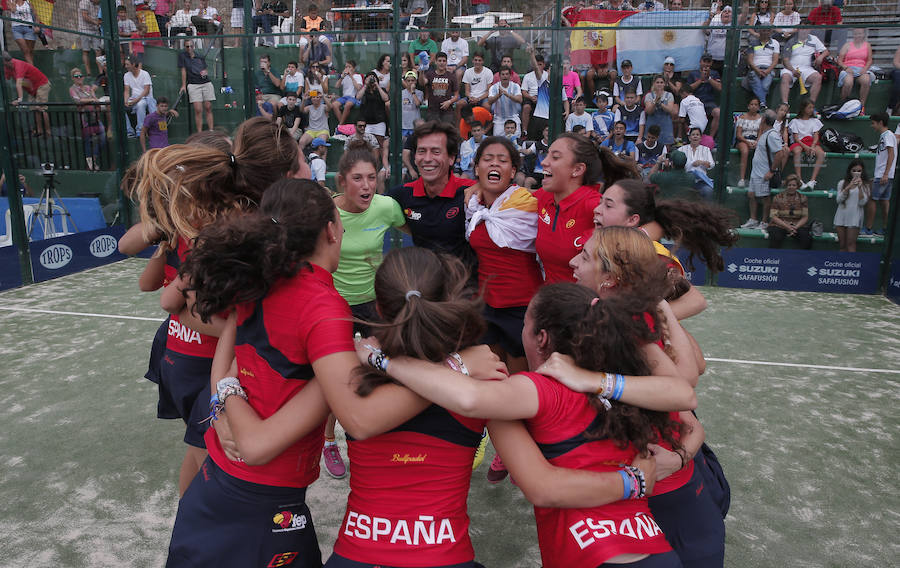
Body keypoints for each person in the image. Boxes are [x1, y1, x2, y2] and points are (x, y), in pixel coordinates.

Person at [356, 279, 692, 568]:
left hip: (595, 557)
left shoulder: (540, 389)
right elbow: (684, 394)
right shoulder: (628, 383)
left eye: (526, 325)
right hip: (655, 551)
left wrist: (381, 360)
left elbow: (469, 398)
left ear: (542, 338)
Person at [591, 180, 737, 318]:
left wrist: (634, 322)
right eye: (600, 203)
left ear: (632, 220)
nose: (597, 210)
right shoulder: (609, 241)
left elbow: (695, 302)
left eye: (608, 206)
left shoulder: (647, 253)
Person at [465, 137, 542, 375]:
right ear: (477, 168)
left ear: (514, 171)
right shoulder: (473, 206)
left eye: (502, 160)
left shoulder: (528, 203)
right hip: (486, 305)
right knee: (491, 381)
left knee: (518, 384)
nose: (494, 165)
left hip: (522, 308)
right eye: (487, 160)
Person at [386, 121, 476, 267]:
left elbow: (519, 195)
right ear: (415, 158)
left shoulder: (471, 192)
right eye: (421, 151)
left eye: (436, 151)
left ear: (451, 158)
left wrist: (484, 188)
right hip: (425, 284)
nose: (427, 159)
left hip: (464, 286)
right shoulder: (403, 194)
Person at [535, 133, 603, 283]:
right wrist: (480, 187)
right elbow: (511, 195)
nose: (544, 162)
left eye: (555, 157)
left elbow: (637, 234)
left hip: (585, 302)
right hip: (551, 299)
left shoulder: (594, 205)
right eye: (547, 155)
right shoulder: (545, 196)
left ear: (577, 169)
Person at [742, 109, 785, 230]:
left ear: (764, 120)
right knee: (751, 195)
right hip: (756, 172)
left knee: (765, 197)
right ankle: (753, 220)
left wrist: (771, 171)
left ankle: (764, 222)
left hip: (764, 172)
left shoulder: (772, 135)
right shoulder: (765, 134)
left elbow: (780, 153)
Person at [4, 52, 50, 137]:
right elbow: (6, 80)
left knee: (41, 108)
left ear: (5, 61)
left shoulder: (18, 64)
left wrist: (20, 99)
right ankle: (39, 131)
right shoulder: (7, 68)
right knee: (34, 109)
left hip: (42, 85)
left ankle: (48, 132)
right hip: (31, 89)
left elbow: (19, 83)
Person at [69, 66, 107, 170]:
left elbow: (94, 98)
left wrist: (91, 100)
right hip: (84, 118)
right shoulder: (72, 89)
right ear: (73, 78)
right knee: (87, 140)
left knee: (102, 137)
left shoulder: (87, 88)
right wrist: (91, 100)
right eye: (76, 76)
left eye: (80, 75)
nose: (79, 78)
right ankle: (90, 162)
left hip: (95, 116)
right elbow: (78, 101)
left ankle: (94, 158)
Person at [865, 112, 896, 235]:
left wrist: (884, 174)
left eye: (873, 123)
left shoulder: (887, 135)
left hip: (884, 175)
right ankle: (885, 228)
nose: (872, 126)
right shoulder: (887, 135)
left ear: (880, 123)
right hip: (885, 174)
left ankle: (868, 228)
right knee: (884, 201)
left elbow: (891, 154)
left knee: (872, 200)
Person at [780, 29, 828, 107]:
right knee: (785, 77)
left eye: (806, 29)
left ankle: (811, 105)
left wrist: (821, 57)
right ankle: (784, 104)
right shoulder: (791, 41)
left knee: (818, 78)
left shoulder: (814, 39)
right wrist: (792, 70)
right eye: (802, 29)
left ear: (809, 30)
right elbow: (785, 60)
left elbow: (826, 51)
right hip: (791, 68)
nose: (804, 31)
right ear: (799, 30)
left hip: (807, 69)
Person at [178, 40, 215, 132]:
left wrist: (204, 72)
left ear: (193, 46)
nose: (189, 48)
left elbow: (204, 68)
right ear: (185, 47)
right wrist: (183, 85)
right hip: (193, 84)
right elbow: (183, 71)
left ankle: (211, 130)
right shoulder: (182, 56)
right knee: (198, 109)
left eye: (191, 46)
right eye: (187, 46)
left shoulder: (199, 56)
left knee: (208, 106)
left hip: (205, 82)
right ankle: (199, 132)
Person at [788, 99, 825, 190]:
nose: (812, 110)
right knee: (797, 151)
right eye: (809, 107)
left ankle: (812, 181)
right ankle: (799, 180)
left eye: (812, 107)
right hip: (799, 143)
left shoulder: (814, 121)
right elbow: (796, 138)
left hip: (811, 142)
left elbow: (816, 136)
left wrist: (812, 146)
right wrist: (805, 147)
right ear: (803, 108)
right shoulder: (795, 121)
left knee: (821, 153)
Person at [768, 174, 812, 249]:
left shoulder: (803, 198)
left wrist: (795, 227)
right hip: (780, 224)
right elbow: (773, 217)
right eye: (789, 185)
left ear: (797, 186)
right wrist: (787, 227)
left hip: (797, 224)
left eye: (794, 185)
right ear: (786, 185)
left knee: (806, 238)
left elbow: (805, 217)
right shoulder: (777, 197)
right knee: (776, 237)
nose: (791, 187)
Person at [834, 159, 870, 252]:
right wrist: (848, 187)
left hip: (854, 217)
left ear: (862, 172)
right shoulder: (842, 183)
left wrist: (860, 187)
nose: (856, 173)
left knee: (851, 244)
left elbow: (862, 203)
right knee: (842, 245)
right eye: (854, 170)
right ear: (849, 171)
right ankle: (841, 265)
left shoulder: (865, 185)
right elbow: (839, 200)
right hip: (841, 216)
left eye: (859, 171)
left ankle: (851, 265)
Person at [837, 29, 874, 113]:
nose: (858, 36)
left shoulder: (867, 45)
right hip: (849, 69)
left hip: (861, 69)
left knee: (866, 80)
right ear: (853, 35)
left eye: (860, 34)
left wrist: (865, 69)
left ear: (863, 35)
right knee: (848, 82)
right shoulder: (847, 45)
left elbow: (869, 60)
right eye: (856, 34)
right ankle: (843, 104)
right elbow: (839, 60)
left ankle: (861, 107)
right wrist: (846, 68)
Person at [685, 55, 721, 137]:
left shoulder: (714, 73)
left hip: (709, 102)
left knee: (718, 112)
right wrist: (701, 80)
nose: (706, 64)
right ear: (700, 62)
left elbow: (719, 87)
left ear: (711, 63)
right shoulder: (693, 74)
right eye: (704, 61)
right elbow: (688, 89)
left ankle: (710, 138)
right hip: (695, 102)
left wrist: (709, 78)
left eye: (708, 62)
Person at [419, 52, 460, 124]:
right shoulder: (430, 74)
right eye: (439, 61)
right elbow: (422, 83)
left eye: (444, 61)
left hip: (447, 111)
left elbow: (456, 96)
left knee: (447, 132)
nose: (442, 63)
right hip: (432, 111)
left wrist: (449, 102)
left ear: (447, 62)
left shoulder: (451, 76)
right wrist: (421, 71)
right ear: (435, 62)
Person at [744, 28, 780, 108]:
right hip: (755, 69)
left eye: (768, 30)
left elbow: (775, 61)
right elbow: (750, 60)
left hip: (768, 69)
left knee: (764, 86)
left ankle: (758, 104)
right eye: (763, 30)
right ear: (760, 31)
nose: (765, 32)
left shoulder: (775, 43)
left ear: (771, 32)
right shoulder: (753, 43)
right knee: (755, 80)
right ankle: (763, 104)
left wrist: (767, 71)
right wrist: (757, 70)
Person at [123, 56, 156, 139]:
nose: (125, 66)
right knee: (121, 107)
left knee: (140, 104)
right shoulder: (126, 75)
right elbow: (126, 90)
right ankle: (129, 131)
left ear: (133, 64)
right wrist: (125, 101)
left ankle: (140, 131)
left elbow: (146, 91)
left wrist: (136, 101)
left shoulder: (145, 74)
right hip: (133, 98)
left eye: (127, 64)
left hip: (146, 98)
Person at [735, 98, 763, 187]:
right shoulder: (742, 118)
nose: (753, 106)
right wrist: (747, 142)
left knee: (761, 151)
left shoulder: (761, 119)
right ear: (748, 106)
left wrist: (756, 142)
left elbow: (760, 133)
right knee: (745, 151)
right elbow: (738, 135)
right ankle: (742, 179)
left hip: (755, 141)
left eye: (756, 105)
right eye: (751, 104)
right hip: (743, 140)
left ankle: (758, 179)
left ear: (758, 107)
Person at [487, 67, 523, 137]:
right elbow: (489, 101)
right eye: (503, 74)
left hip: (513, 117)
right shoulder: (494, 87)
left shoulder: (515, 86)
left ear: (510, 76)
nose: (505, 76)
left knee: (515, 140)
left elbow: (520, 100)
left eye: (507, 74)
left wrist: (508, 95)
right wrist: (498, 95)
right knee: (498, 141)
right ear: (499, 76)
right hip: (499, 119)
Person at [642, 75, 677, 147]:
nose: (659, 84)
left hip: (665, 125)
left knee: (666, 148)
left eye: (661, 82)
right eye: (657, 82)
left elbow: (670, 110)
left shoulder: (669, 95)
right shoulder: (649, 95)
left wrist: (660, 103)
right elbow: (649, 111)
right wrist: (655, 102)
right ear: (654, 84)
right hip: (652, 123)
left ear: (664, 84)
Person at [332, 60, 363, 125]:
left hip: (353, 97)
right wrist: (342, 77)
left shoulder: (357, 76)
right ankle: (342, 124)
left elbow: (358, 88)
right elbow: (336, 86)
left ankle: (340, 124)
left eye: (349, 67)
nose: (347, 69)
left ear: (354, 68)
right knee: (334, 105)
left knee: (348, 105)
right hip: (344, 97)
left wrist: (351, 76)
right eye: (346, 67)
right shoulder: (344, 76)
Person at [10, 0, 40, 65]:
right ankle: (33, 71)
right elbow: (13, 10)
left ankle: (30, 70)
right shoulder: (11, 1)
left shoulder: (28, 3)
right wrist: (14, 1)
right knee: (25, 50)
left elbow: (36, 15)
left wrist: (37, 26)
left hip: (29, 27)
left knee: (30, 51)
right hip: (16, 28)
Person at [704, 4, 731, 73]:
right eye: (725, 11)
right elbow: (705, 30)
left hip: (727, 59)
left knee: (725, 81)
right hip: (712, 58)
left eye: (729, 11)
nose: (727, 12)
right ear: (721, 14)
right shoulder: (714, 20)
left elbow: (744, 16)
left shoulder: (735, 23)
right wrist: (710, 18)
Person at [78, 0, 102, 75]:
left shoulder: (99, 4)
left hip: (95, 30)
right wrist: (95, 22)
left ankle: (101, 72)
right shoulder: (84, 2)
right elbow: (84, 15)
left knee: (98, 51)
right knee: (86, 51)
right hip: (84, 29)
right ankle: (88, 73)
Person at [401, 71, 424, 139]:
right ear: (405, 81)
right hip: (403, 126)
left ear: (416, 81)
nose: (410, 82)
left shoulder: (420, 93)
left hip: (415, 126)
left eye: (412, 80)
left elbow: (417, 104)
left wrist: (413, 92)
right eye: (408, 80)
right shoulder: (401, 93)